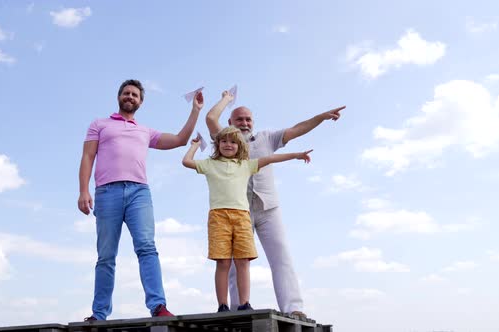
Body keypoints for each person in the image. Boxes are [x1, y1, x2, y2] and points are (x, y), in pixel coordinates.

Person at [205, 90, 345, 317]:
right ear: (230, 122)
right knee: (234, 263)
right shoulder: (226, 140)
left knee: (281, 256)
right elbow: (210, 119)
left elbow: (297, 129)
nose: (244, 123)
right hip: (239, 210)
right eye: (239, 119)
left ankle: (293, 307)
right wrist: (227, 100)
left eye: (248, 119)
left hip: (269, 207)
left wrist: (320, 117)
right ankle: (236, 309)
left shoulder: (266, 138)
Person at [78, 79, 204, 320]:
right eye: (126, 93)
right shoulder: (99, 124)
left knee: (147, 248)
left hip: (139, 193)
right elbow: (87, 157)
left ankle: (158, 306)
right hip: (107, 193)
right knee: (106, 255)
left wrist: (195, 110)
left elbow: (179, 140)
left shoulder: (145, 132)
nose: (130, 97)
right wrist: (84, 191)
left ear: (140, 102)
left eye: (135, 95)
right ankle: (99, 313)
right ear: (119, 97)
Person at [182, 126, 312, 313]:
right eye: (224, 141)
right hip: (219, 217)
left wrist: (296, 155)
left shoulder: (246, 165)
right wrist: (194, 145)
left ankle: (244, 303)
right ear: (217, 144)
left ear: (240, 146)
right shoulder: (210, 164)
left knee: (243, 261)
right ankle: (222, 305)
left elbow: (271, 158)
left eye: (233, 142)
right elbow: (186, 161)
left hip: (242, 216)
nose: (228, 145)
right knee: (223, 262)